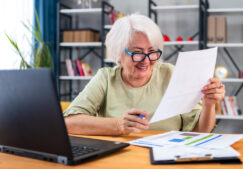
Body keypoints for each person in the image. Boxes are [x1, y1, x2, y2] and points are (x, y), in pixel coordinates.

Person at [63, 14, 225, 136]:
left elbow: (200, 131)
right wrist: (119, 125)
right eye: (137, 53)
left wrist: (209, 105)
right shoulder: (105, 78)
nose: (146, 61)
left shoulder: (171, 73)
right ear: (118, 54)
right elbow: (69, 123)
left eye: (152, 51)